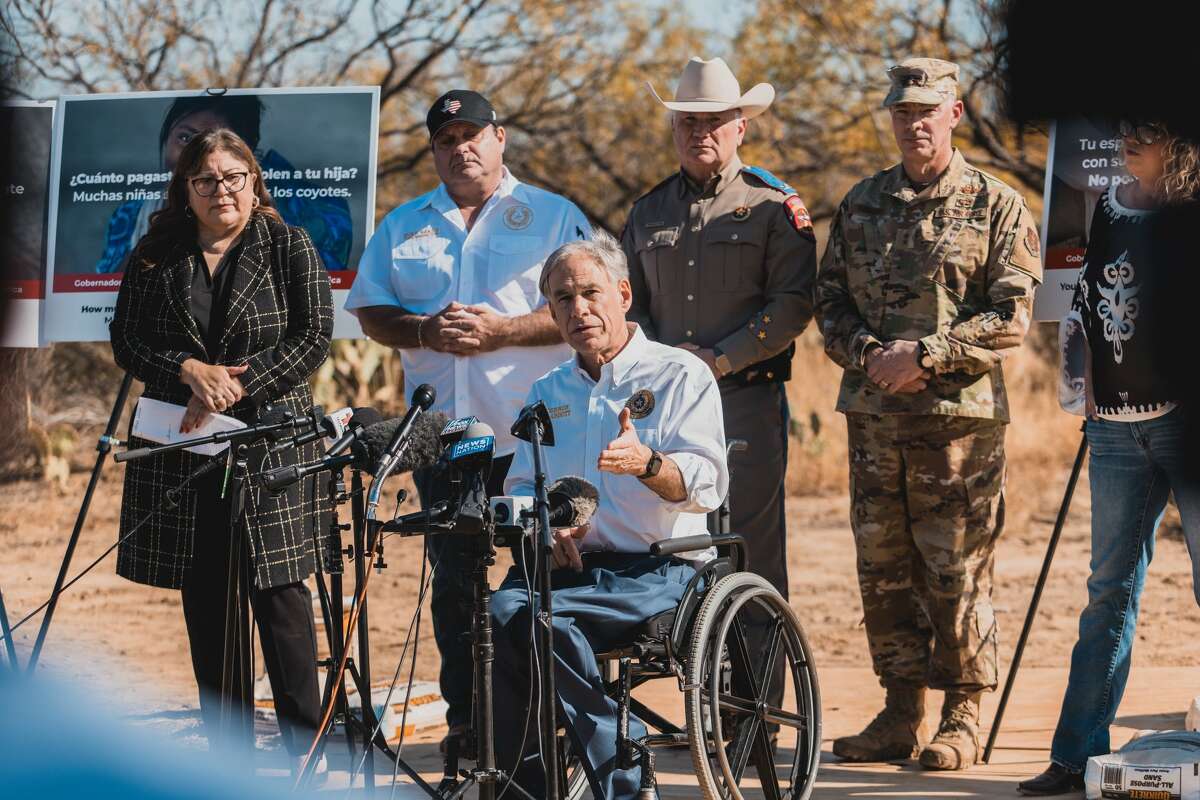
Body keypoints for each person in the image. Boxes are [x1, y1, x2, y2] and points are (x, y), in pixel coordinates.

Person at [344, 89, 589, 748]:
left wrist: (504, 330)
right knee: (455, 589)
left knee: (547, 578)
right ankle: (470, 727)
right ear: (435, 151)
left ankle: (545, 727)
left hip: (540, 434)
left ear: (500, 137)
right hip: (448, 440)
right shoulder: (404, 225)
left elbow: (585, 309)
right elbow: (371, 312)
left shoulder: (551, 215)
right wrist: (425, 330)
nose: (461, 149)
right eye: (447, 140)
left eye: (472, 135)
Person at [815, 58, 1042, 770]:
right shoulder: (861, 203)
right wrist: (870, 355)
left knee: (957, 568)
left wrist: (929, 355)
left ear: (956, 114)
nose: (913, 123)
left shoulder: (995, 204)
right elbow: (829, 303)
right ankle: (899, 711)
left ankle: (963, 714)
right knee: (883, 568)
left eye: (927, 110)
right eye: (902, 111)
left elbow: (1012, 315)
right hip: (875, 418)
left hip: (958, 424)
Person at [109, 128, 333, 776]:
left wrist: (234, 384)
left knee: (282, 601)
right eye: (206, 180)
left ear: (253, 181)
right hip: (184, 445)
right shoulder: (156, 256)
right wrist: (185, 368)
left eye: (234, 176)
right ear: (186, 189)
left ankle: (306, 757)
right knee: (208, 602)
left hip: (271, 447)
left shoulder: (288, 245)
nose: (222, 190)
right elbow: (127, 340)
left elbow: (313, 335)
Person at [491, 230, 729, 799]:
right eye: (563, 300)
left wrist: (649, 463)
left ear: (623, 293)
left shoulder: (678, 375)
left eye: (590, 293)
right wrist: (547, 529)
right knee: (501, 611)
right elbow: (523, 486)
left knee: (539, 620)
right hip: (574, 569)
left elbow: (709, 485)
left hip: (661, 568)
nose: (579, 309)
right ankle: (524, 789)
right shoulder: (546, 391)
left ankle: (622, 777)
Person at [620, 57, 817, 711]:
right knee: (679, 548)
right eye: (688, 122)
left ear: (740, 127)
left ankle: (754, 714)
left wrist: (718, 361)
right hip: (667, 415)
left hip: (745, 403)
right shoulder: (647, 212)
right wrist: (662, 363)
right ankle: (706, 706)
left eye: (715, 121)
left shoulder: (771, 206)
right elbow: (633, 306)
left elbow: (792, 305)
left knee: (750, 552)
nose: (700, 132)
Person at [1017, 120, 1200, 796]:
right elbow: (1092, 302)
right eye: (1126, 128)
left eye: (1147, 130)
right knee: (1107, 593)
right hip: (1117, 430)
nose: (1130, 139)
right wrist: (1088, 390)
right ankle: (1075, 758)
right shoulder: (1108, 207)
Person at [96, 94, 352, 273]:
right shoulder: (134, 216)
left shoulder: (302, 221)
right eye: (185, 137)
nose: (196, 153)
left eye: (215, 140)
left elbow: (311, 325)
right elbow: (122, 313)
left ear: (247, 153)